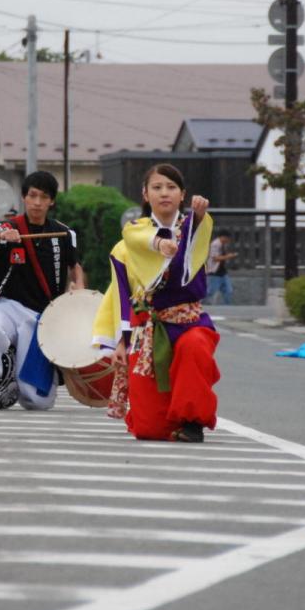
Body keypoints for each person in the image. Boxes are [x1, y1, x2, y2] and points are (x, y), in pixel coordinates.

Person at [92, 164, 220, 443]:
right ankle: (157, 416)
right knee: (150, 430)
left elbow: (196, 240)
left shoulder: (192, 229)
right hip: (146, 328)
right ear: (145, 194)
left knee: (194, 346)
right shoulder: (131, 236)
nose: (164, 193)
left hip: (189, 321)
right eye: (157, 187)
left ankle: (192, 421)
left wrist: (198, 217)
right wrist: (120, 343)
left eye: (171, 187)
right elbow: (120, 294)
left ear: (182, 194)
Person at [0, 171, 84, 412]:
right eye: (33, 196)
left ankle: (14, 380)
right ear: (24, 198)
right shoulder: (7, 226)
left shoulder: (63, 233)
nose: (37, 202)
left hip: (39, 316)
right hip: (6, 306)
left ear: (52, 201)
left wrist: (79, 287)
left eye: (44, 197)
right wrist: (1, 236)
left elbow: (75, 267)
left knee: (38, 402)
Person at [205, 229, 236, 305]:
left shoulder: (223, 244)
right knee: (211, 291)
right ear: (223, 237)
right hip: (214, 272)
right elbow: (215, 258)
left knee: (228, 290)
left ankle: (228, 307)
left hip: (222, 271)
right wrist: (228, 256)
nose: (228, 240)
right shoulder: (215, 244)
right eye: (227, 238)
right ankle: (202, 305)